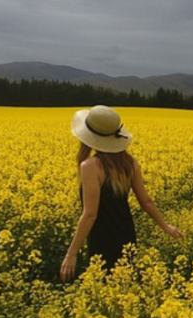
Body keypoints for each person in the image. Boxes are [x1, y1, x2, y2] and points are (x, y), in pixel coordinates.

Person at [60, 105, 182, 282]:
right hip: (126, 233)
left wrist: (71, 254)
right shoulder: (130, 163)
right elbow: (146, 201)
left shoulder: (90, 167)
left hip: (102, 237)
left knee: (103, 285)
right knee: (124, 284)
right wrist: (165, 226)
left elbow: (90, 214)